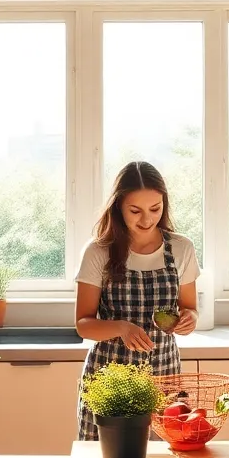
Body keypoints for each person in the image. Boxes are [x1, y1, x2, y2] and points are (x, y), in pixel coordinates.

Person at [74, 161, 200, 440]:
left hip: (163, 375)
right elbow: (83, 324)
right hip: (109, 379)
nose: (146, 219)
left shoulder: (181, 248)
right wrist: (121, 328)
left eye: (155, 209)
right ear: (118, 207)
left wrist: (189, 319)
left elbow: (190, 309)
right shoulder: (99, 251)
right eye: (135, 211)